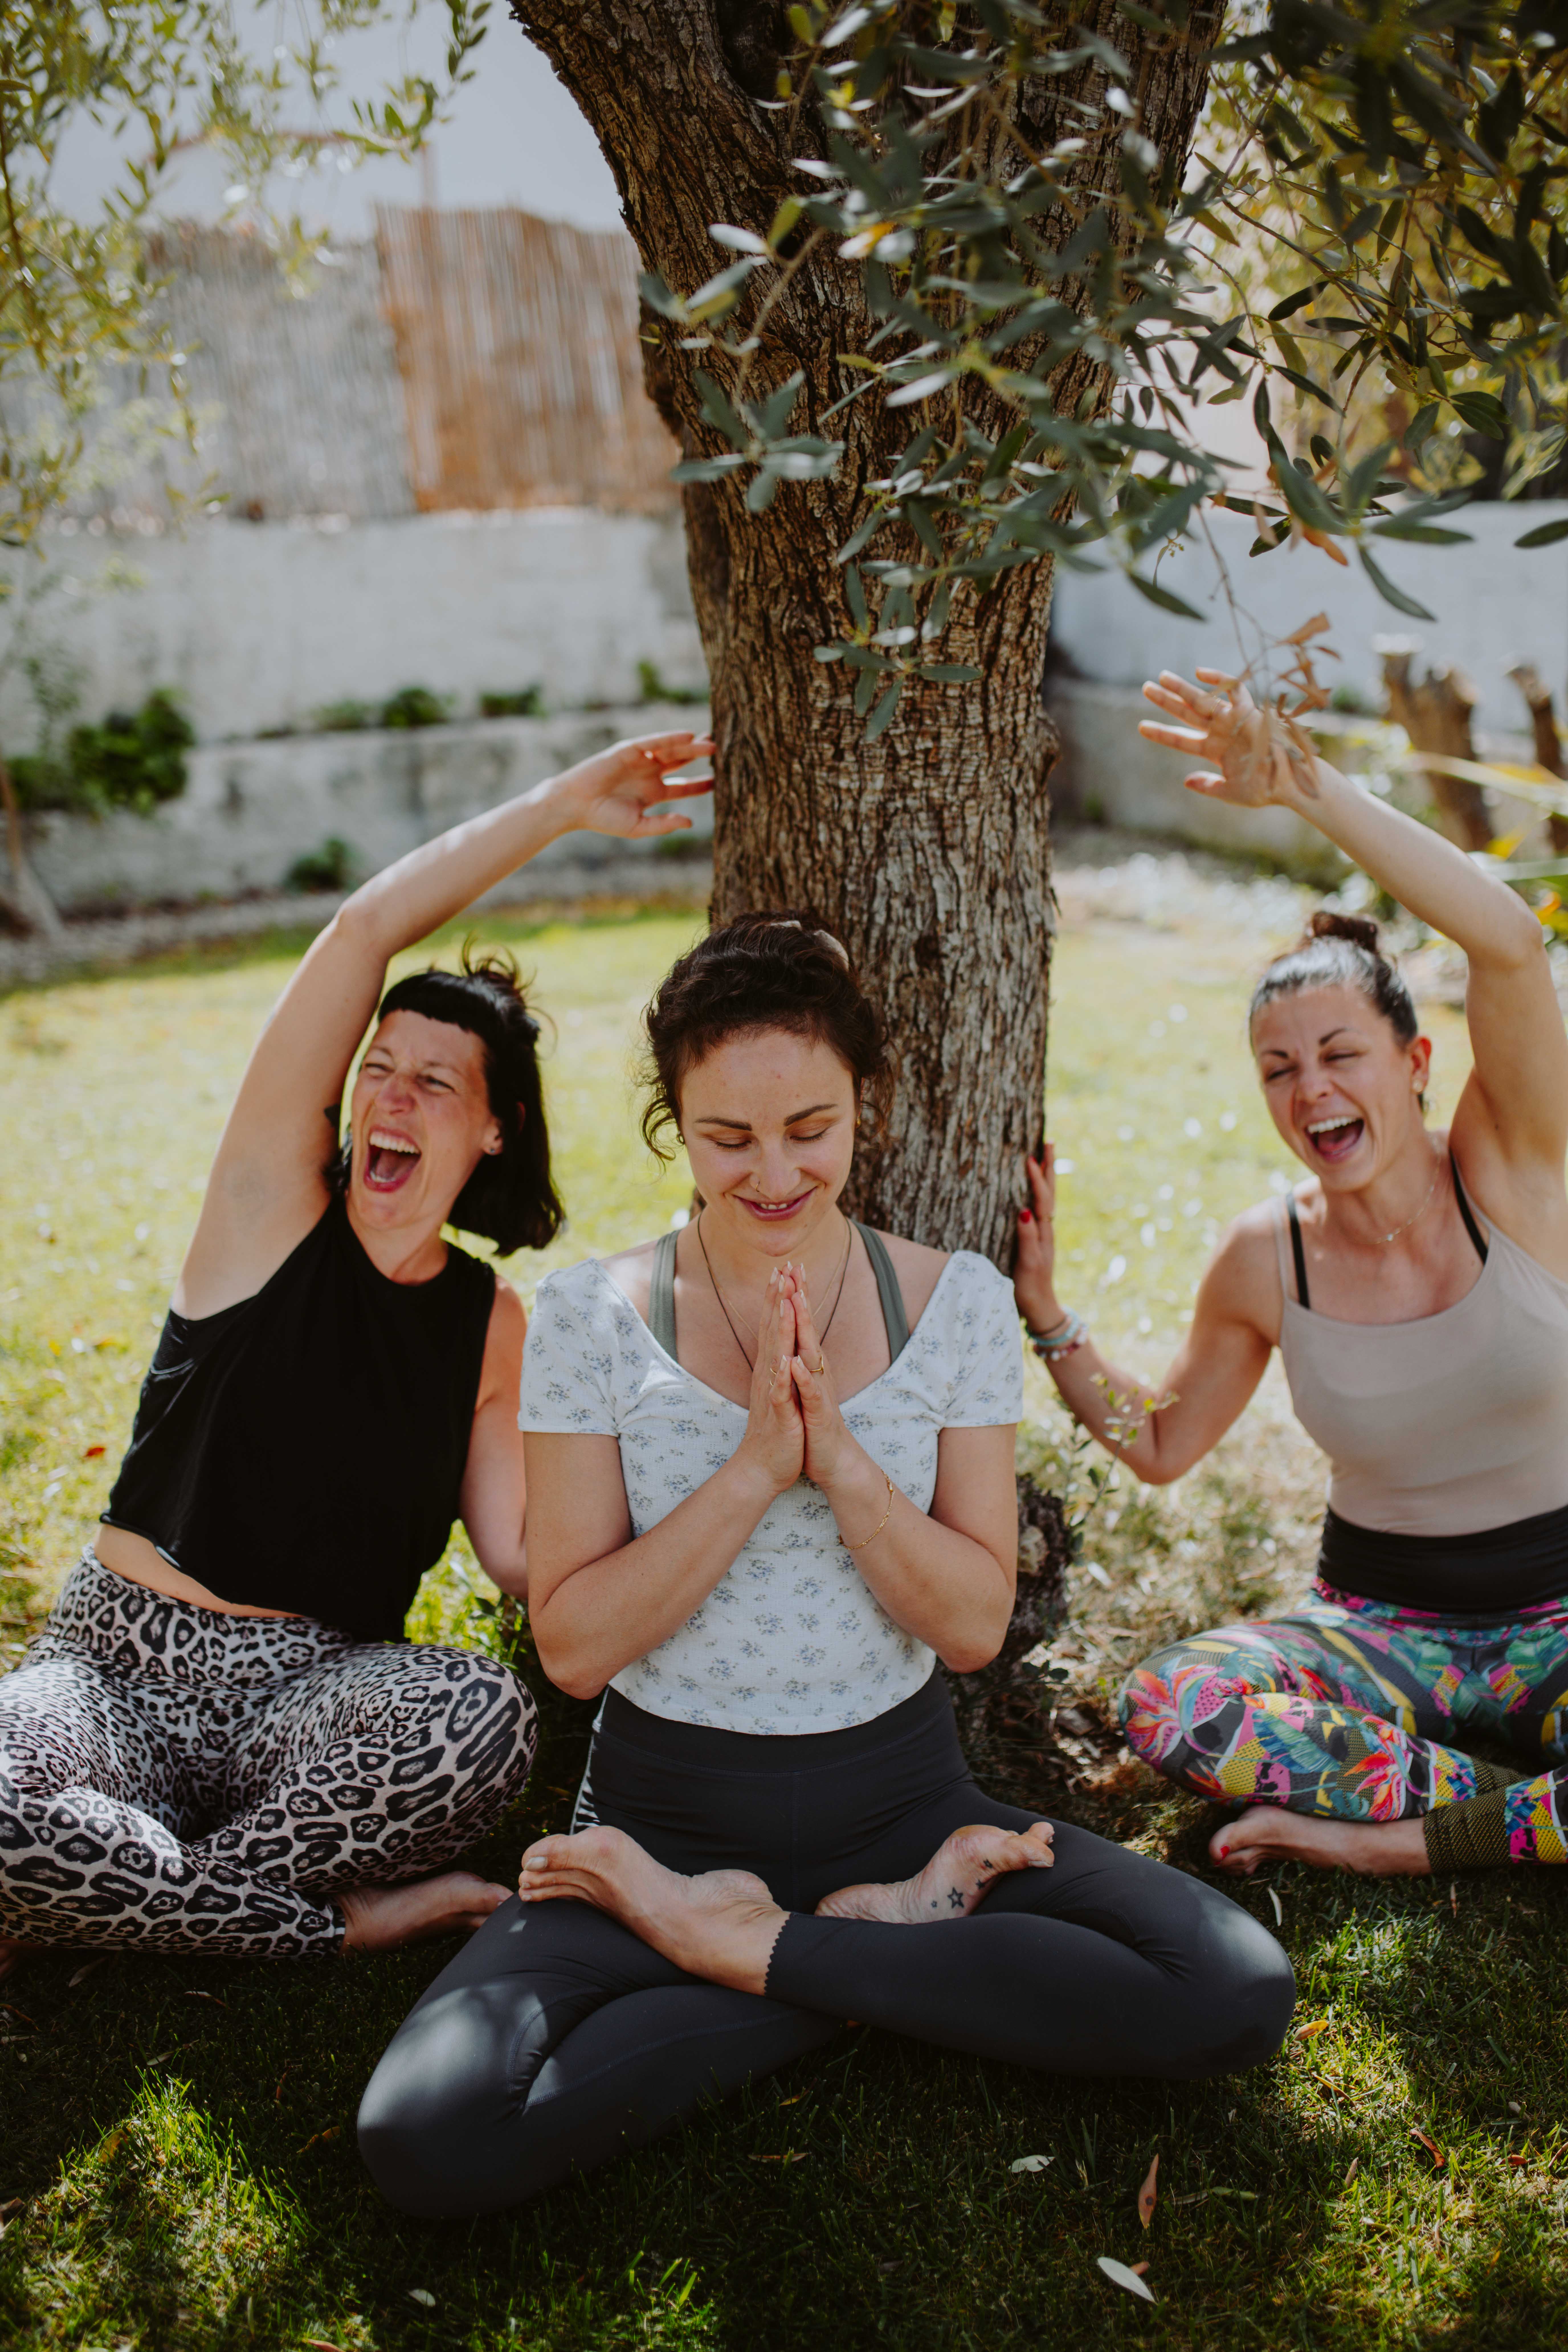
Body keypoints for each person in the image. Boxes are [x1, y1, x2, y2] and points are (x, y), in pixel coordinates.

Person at [357, 912, 1296, 2217]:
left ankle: (732, 1943)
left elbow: (971, 1627)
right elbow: (573, 1648)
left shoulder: (953, 1300)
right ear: (673, 1125)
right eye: (727, 1138)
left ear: (864, 1106)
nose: (774, 1174)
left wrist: (843, 1466)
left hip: (902, 1807)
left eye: (811, 1128)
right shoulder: (592, 1317)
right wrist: (749, 1471)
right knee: (427, 2136)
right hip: (657, 1824)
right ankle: (869, 1942)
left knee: (1232, 1988)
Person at [0, 728, 714, 1973]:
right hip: (112, 1666)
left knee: (480, 1723)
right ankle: (319, 1926)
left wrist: (717, 1479)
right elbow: (358, 933)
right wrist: (559, 807)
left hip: (304, 1705)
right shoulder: (268, 1214)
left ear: (494, 1132)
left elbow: (523, 1559)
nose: (391, 1096)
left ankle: (99, 1892)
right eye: (377, 1069)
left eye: (437, 1084)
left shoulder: (496, 1328)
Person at [1013, 663, 1568, 1881]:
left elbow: (1514, 945)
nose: (1309, 1088)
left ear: (1414, 1061)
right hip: (1373, 1638)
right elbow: (1159, 1443)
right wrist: (1048, 1318)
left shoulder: (1514, 1169)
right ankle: (1524, 1808)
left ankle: (1396, 1841)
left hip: (1557, 1619)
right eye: (1276, 1068)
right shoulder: (1266, 1255)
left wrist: (1307, 789)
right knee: (1173, 1706)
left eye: (1337, 1053)